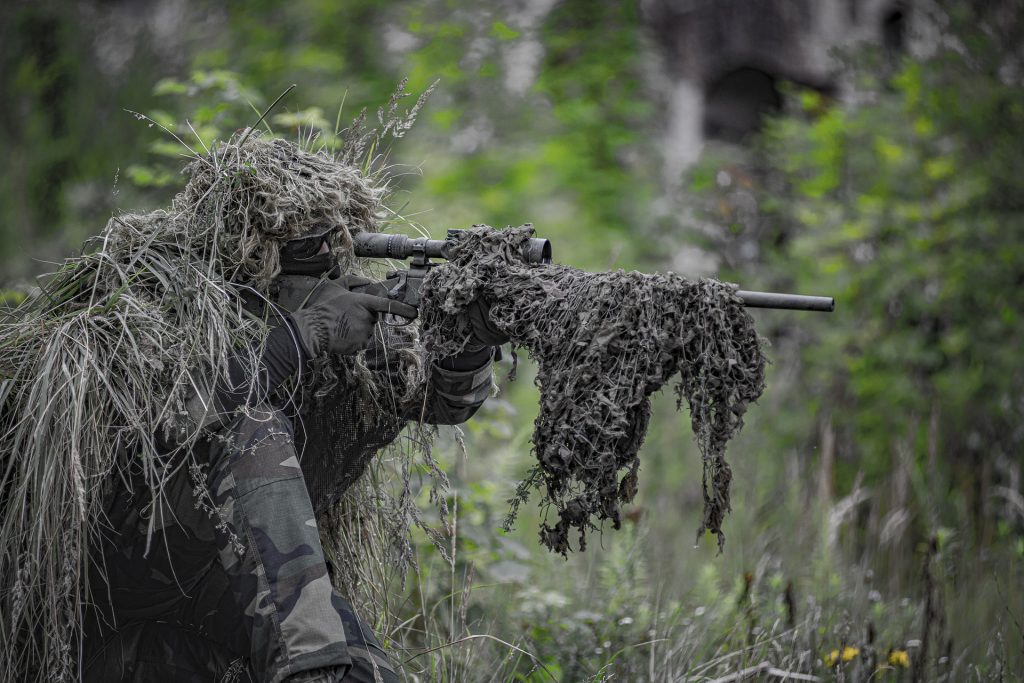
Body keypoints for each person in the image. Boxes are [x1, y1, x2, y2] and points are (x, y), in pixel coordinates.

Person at [81, 222, 508, 682]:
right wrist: (299, 337)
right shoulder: (174, 302)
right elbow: (171, 421)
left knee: (363, 670)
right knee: (255, 428)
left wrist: (467, 343)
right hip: (116, 596)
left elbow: (440, 401)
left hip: (220, 591)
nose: (325, 260)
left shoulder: (341, 311)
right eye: (305, 247)